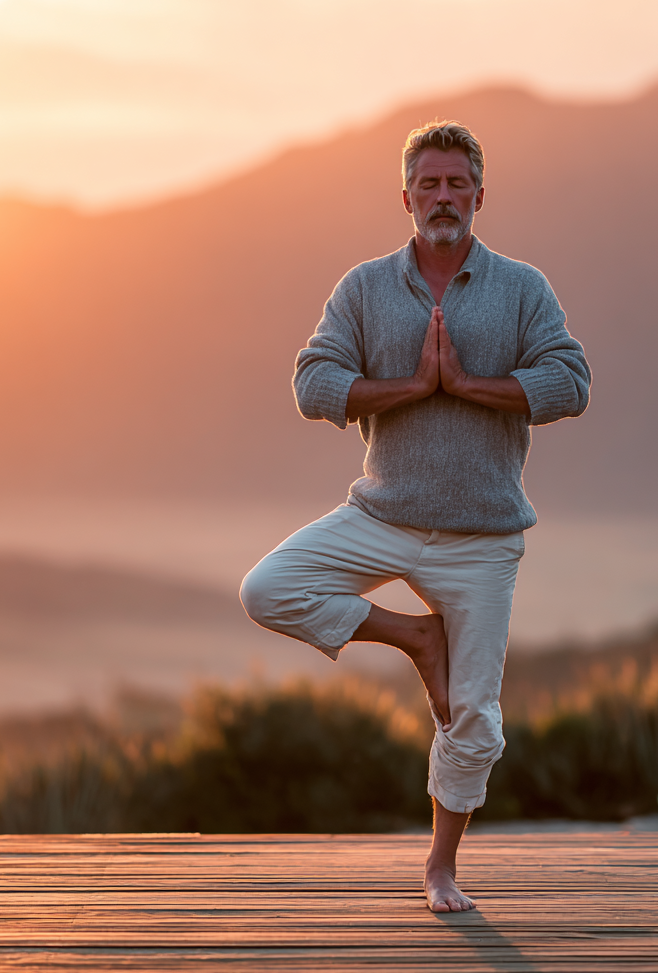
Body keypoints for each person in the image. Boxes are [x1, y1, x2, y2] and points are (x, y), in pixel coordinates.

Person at [240, 120, 591, 912]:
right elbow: (312, 385)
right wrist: (409, 388)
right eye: (427, 184)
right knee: (267, 590)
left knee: (473, 716)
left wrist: (468, 385)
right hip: (385, 515)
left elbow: (571, 382)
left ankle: (440, 869)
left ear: (478, 195)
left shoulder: (522, 288)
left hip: (484, 533)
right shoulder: (363, 289)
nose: (442, 197)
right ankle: (411, 634)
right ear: (406, 196)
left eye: (455, 184)